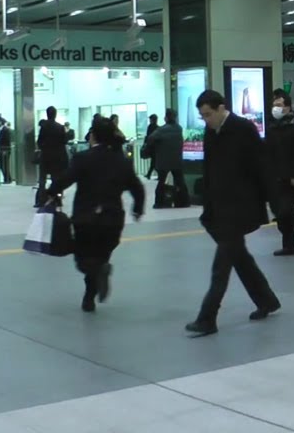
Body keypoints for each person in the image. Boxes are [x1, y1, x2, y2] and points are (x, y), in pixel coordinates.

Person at [185, 90, 280, 337]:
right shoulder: (211, 131)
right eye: (202, 116)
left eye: (208, 114)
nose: (205, 120)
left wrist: (277, 204)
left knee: (222, 265)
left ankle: (208, 317)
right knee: (239, 258)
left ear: (220, 109)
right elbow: (209, 168)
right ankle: (266, 300)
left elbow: (263, 167)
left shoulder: (243, 129)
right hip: (219, 208)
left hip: (240, 209)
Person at [45, 118, 145, 312]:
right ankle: (89, 297)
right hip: (113, 220)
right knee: (100, 257)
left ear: (93, 136)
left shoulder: (83, 158)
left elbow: (66, 179)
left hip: (86, 219)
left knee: (84, 260)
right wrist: (138, 208)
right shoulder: (122, 161)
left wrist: (50, 192)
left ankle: (94, 283)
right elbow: (136, 187)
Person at [266, 90, 294, 256]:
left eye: (279, 105)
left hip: (291, 177)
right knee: (279, 212)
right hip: (275, 176)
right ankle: (289, 245)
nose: (275, 108)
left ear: (288, 107)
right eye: (274, 105)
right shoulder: (272, 127)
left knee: (285, 209)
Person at [143, 110, 184, 209]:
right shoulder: (179, 128)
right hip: (177, 159)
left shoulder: (161, 130)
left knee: (161, 181)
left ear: (166, 118)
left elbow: (150, 139)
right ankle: (182, 201)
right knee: (179, 181)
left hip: (163, 160)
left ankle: (160, 202)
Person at [36, 107, 69, 207]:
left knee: (42, 180)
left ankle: (41, 200)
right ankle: (57, 199)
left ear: (47, 114)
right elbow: (64, 141)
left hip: (45, 156)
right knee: (56, 179)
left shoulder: (44, 127)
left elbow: (39, 141)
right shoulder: (60, 127)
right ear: (55, 114)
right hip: (57, 158)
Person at [0, 119, 14, 184]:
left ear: (1, 122)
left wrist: (4, 149)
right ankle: (7, 178)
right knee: (3, 165)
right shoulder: (2, 130)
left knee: (4, 165)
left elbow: (6, 140)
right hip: (3, 150)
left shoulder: (5, 130)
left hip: (5, 150)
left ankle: (7, 179)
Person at [144, 114, 160, 180]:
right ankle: (150, 174)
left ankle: (149, 174)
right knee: (154, 161)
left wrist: (146, 144)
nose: (150, 120)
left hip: (151, 147)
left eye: (150, 119)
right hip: (156, 147)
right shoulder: (158, 127)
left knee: (154, 162)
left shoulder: (150, 127)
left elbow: (148, 136)